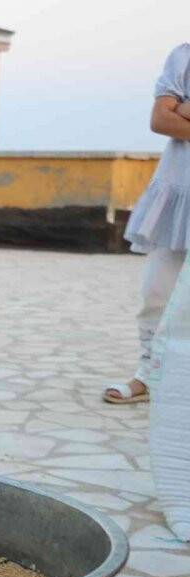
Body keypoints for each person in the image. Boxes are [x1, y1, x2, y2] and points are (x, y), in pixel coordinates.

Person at [105, 43, 190, 404]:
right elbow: (160, 120)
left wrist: (184, 108)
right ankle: (148, 374)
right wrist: (173, 112)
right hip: (177, 196)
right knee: (156, 292)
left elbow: (175, 117)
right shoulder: (184, 56)